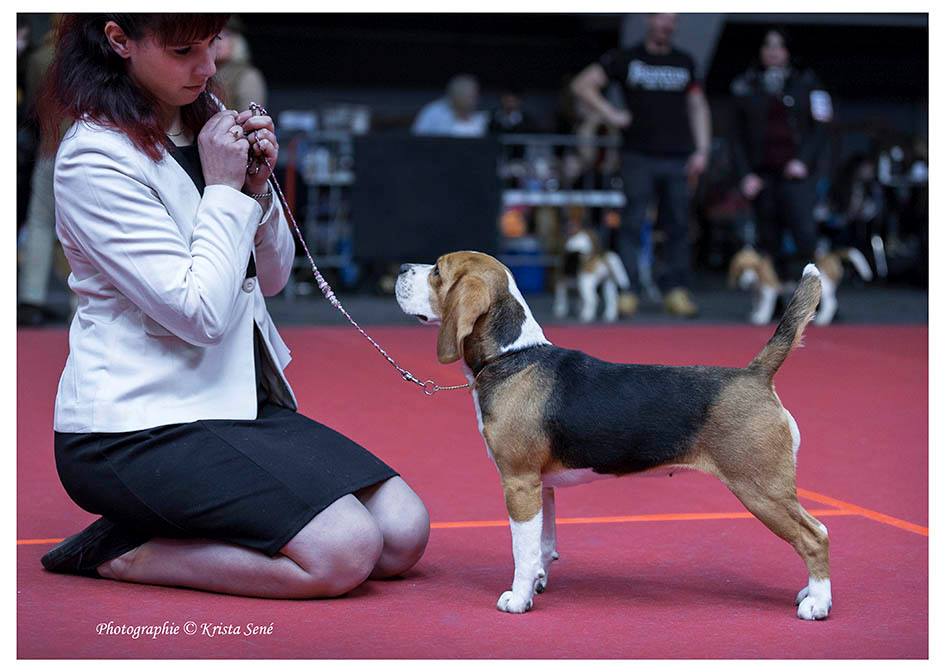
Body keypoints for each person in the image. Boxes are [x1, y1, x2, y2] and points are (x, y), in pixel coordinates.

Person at [38, 14, 429, 599]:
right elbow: (199, 316)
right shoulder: (93, 157)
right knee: (342, 553)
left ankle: (182, 520)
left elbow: (269, 280)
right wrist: (224, 189)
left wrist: (256, 188)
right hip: (133, 428)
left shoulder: (210, 125)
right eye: (182, 50)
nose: (208, 66)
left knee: (403, 535)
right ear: (119, 40)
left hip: (232, 403)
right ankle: (122, 554)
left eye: (212, 43)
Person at [571, 13, 711, 318]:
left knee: (678, 225)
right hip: (638, 155)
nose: (667, 25)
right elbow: (582, 84)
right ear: (650, 19)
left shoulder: (684, 60)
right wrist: (611, 114)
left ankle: (675, 289)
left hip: (677, 155)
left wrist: (702, 149)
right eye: (662, 18)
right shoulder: (627, 58)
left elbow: (697, 106)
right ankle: (628, 290)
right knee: (632, 223)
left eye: (672, 20)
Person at [730, 27, 833, 324]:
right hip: (762, 175)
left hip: (797, 174)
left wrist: (803, 161)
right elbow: (735, 138)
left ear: (788, 52)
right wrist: (745, 174)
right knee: (768, 239)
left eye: (779, 46)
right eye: (767, 46)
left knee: (804, 235)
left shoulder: (808, 83)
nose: (773, 52)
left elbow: (821, 129)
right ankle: (773, 301)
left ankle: (818, 302)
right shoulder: (745, 86)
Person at [213, 15, 267, 111]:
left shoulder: (247, 75)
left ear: (237, 41)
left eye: (226, 35)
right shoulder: (202, 73)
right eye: (214, 35)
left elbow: (251, 116)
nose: (218, 41)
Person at [411, 74, 488, 137]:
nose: (474, 100)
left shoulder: (482, 116)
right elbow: (417, 138)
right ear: (455, 95)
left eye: (474, 96)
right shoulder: (433, 113)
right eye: (469, 96)